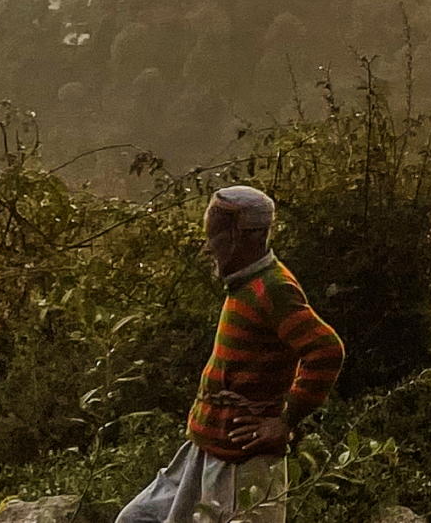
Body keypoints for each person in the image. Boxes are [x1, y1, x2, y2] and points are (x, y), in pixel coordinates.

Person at [118, 185, 346, 523]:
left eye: (216, 239)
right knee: (137, 519)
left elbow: (326, 350)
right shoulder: (243, 285)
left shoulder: (272, 288)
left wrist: (285, 420)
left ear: (244, 238)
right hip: (203, 451)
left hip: (244, 461)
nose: (210, 249)